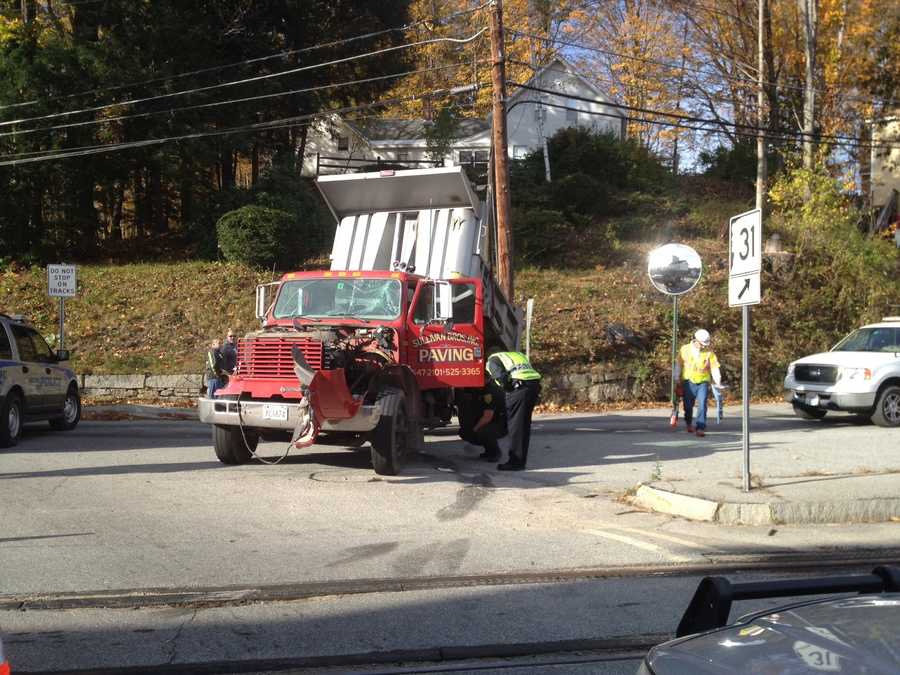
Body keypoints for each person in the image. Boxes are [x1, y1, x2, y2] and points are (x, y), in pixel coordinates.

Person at [486, 351, 542, 471]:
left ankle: (515, 462)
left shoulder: (492, 360)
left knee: (516, 427)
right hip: (533, 386)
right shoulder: (516, 355)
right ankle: (520, 461)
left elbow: (501, 377)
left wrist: (508, 390)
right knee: (523, 426)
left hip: (519, 388)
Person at [674, 329, 722, 438]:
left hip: (703, 382)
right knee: (688, 405)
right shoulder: (684, 349)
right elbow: (678, 364)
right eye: (702, 344)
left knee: (702, 403)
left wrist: (717, 381)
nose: (704, 346)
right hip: (688, 381)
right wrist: (676, 377)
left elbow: (715, 368)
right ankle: (688, 423)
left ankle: (700, 427)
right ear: (696, 340)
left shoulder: (709, 353)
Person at [457, 381, 507, 462]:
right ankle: (488, 450)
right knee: (464, 432)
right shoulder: (477, 388)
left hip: (501, 424)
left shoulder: (490, 391)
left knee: (483, 431)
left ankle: (495, 452)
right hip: (491, 422)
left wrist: (474, 430)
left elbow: (487, 417)